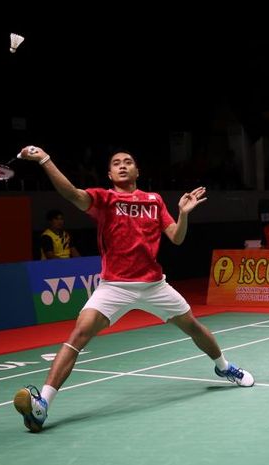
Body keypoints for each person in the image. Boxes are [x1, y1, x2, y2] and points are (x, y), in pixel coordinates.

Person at [13, 146, 254, 433]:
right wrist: (45, 159)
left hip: (153, 284)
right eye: (116, 163)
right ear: (109, 174)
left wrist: (183, 213)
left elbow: (176, 237)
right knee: (78, 335)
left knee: (193, 327)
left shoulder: (154, 201)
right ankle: (43, 406)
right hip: (114, 286)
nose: (123, 166)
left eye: (129, 162)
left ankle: (224, 366)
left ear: (138, 171)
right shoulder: (104, 199)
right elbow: (71, 193)